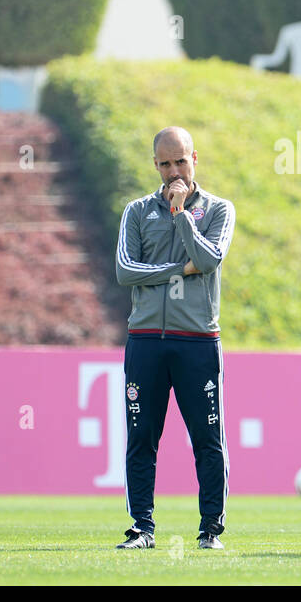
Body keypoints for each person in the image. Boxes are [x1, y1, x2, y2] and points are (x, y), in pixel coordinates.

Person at [114, 127, 236, 550]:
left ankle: (210, 531)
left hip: (198, 341)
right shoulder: (137, 211)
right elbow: (125, 270)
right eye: (165, 164)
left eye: (180, 161)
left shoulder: (219, 210)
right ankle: (141, 529)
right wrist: (175, 270)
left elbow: (207, 260)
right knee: (141, 436)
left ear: (195, 159)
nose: (173, 172)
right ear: (155, 165)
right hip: (146, 339)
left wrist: (182, 214)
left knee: (207, 438)